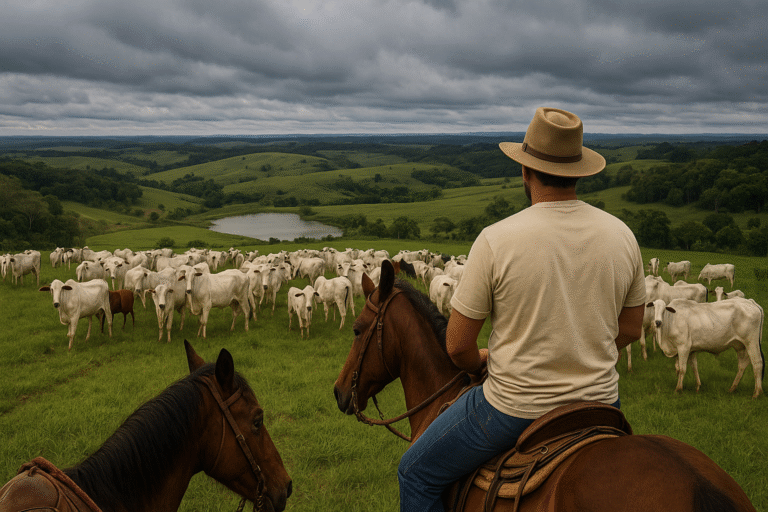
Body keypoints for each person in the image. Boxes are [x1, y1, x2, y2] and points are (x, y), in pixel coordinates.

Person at [397, 107, 646, 512]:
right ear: (579, 173)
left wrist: (482, 358)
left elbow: (457, 346)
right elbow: (632, 328)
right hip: (600, 404)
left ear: (525, 173)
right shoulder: (622, 235)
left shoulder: (497, 240)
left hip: (513, 407)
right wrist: (583, 352)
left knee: (415, 472)